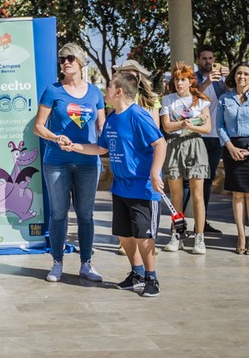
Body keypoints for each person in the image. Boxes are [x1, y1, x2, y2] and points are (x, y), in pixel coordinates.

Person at [62, 72, 166, 298]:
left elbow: (160, 143)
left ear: (119, 91)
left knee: (143, 236)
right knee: (124, 235)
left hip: (143, 188)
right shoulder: (111, 118)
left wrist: (155, 173)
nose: (105, 90)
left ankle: (151, 278)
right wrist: (74, 147)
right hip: (120, 187)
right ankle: (136, 273)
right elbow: (101, 149)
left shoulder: (138, 115)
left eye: (108, 86)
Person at [33, 42, 106, 283]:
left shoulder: (95, 93)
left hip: (88, 163)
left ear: (82, 62)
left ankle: (86, 263)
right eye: (62, 58)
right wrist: (55, 137)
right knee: (58, 214)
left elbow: (102, 128)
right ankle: (57, 263)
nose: (65, 61)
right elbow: (38, 126)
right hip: (57, 161)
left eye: (71, 58)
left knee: (86, 214)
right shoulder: (52, 91)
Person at [216, 63, 249, 255]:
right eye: (239, 73)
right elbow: (220, 126)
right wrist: (230, 146)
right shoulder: (224, 99)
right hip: (231, 148)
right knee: (237, 194)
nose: (242, 76)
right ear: (234, 76)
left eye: (246, 73)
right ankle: (240, 234)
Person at [160, 64, 212, 255]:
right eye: (176, 79)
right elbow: (166, 126)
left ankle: (199, 236)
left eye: (183, 79)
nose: (179, 82)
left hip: (194, 145)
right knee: (176, 195)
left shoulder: (201, 101)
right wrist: (181, 124)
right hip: (174, 145)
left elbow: (207, 128)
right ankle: (178, 233)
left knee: (198, 195)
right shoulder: (168, 100)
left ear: (191, 81)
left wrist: (191, 126)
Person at [194, 47, 229, 235]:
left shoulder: (222, 79)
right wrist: (207, 81)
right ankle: (180, 222)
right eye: (204, 58)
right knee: (189, 180)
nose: (208, 61)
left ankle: (202, 221)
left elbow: (233, 95)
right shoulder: (194, 78)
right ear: (198, 60)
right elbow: (193, 97)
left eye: (210, 58)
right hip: (198, 135)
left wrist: (229, 78)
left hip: (216, 136)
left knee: (207, 179)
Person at [114, 58, 161, 127]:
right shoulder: (114, 98)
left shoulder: (152, 98)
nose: (126, 78)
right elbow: (111, 125)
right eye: (123, 74)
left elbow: (156, 128)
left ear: (138, 76)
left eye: (130, 74)